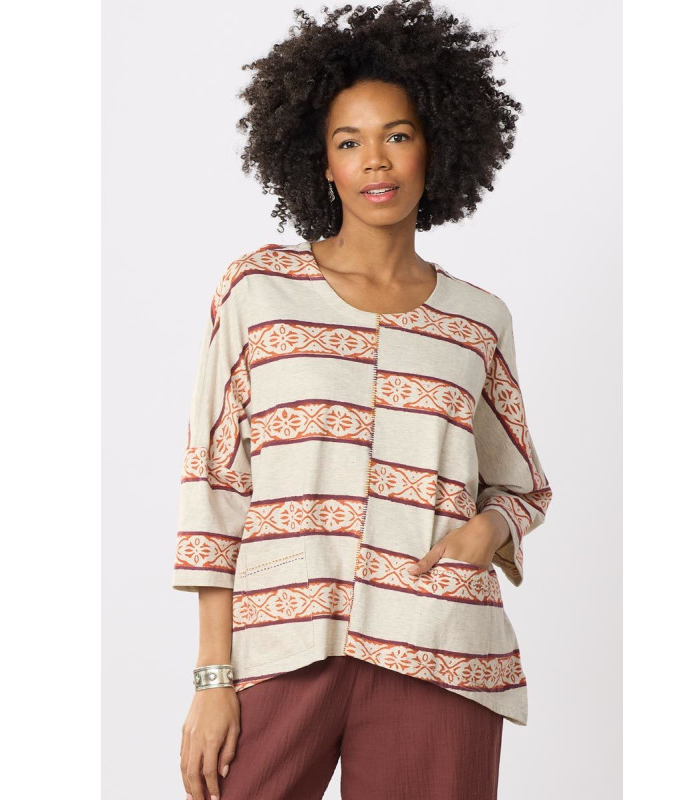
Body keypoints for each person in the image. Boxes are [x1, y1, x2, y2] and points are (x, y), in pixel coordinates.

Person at [172, 2, 553, 798]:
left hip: (440, 645)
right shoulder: (258, 291)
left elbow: (522, 486)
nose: (375, 161)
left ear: (434, 147)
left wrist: (489, 529)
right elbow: (215, 483)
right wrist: (212, 677)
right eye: (349, 142)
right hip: (283, 642)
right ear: (321, 163)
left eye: (398, 136)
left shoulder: (478, 321)